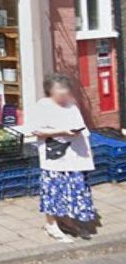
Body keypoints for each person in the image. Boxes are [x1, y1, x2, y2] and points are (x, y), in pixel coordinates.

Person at [30, 73, 96, 243]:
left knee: (73, 189)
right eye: (59, 88)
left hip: (75, 156)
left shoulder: (72, 105)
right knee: (54, 190)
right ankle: (51, 225)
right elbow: (36, 130)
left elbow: (80, 126)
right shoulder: (43, 106)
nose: (64, 91)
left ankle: (66, 220)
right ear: (50, 90)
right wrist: (61, 132)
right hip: (55, 157)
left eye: (65, 88)